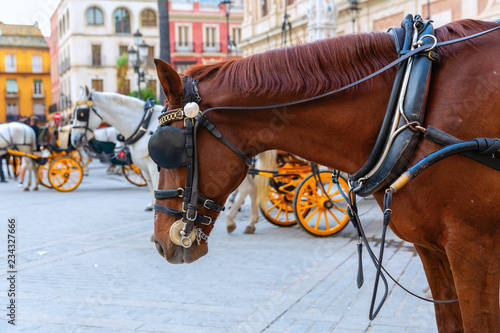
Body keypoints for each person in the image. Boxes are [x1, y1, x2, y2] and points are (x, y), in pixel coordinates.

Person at [18, 116, 41, 187]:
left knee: (24, 166)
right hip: (37, 150)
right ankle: (38, 182)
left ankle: (21, 181)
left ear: (31, 122)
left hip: (28, 150)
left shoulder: (27, 129)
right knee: (38, 167)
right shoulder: (39, 129)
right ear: (37, 122)